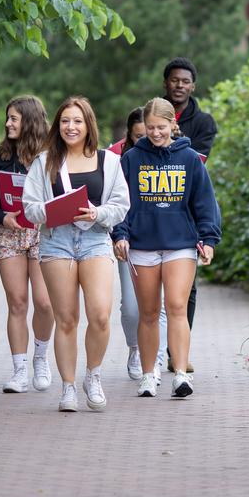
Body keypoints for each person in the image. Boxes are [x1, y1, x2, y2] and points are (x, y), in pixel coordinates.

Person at [21, 96, 130, 412]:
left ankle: (92, 375)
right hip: (57, 241)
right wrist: (53, 210)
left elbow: (121, 206)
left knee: (99, 314)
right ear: (58, 125)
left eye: (77, 121)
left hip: (95, 240)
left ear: (88, 125)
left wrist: (96, 213)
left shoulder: (108, 161)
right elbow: (29, 207)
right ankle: (67, 387)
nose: (71, 127)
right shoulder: (45, 162)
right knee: (66, 319)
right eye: (66, 121)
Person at [114, 97, 220, 399]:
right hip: (143, 246)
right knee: (147, 313)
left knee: (176, 307)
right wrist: (119, 234)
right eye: (150, 128)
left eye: (161, 127)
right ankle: (149, 375)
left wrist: (208, 239)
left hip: (180, 245)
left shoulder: (189, 159)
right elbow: (120, 202)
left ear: (173, 124)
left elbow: (204, 202)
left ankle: (181, 375)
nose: (156, 133)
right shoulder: (132, 158)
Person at [0, 96, 56, 393]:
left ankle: (41, 358)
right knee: (17, 302)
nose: (8, 123)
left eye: (14, 118)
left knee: (46, 303)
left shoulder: (51, 156)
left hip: (43, 232)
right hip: (8, 232)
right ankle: (20, 370)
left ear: (30, 121)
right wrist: (1, 216)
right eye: (8, 118)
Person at [163, 57, 217, 361]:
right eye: (174, 80)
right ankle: (150, 351)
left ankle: (177, 352)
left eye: (185, 81)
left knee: (186, 285)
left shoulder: (204, 122)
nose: (179, 85)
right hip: (151, 203)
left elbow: (196, 163)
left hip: (187, 207)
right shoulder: (150, 113)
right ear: (166, 83)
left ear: (193, 86)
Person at [109, 108, 167, 379]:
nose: (150, 137)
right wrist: (119, 235)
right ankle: (135, 348)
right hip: (132, 242)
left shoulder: (172, 157)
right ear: (130, 137)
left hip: (166, 241)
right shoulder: (123, 160)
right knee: (132, 307)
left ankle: (154, 358)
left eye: (154, 130)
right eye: (141, 134)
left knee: (161, 306)